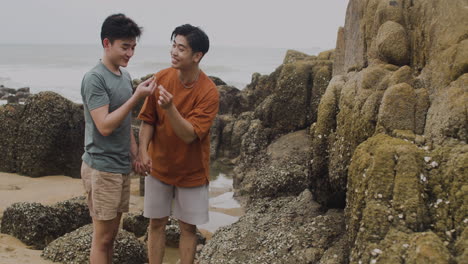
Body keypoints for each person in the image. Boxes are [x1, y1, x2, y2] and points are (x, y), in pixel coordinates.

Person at [137, 24, 219, 264]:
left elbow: (189, 135)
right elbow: (147, 121)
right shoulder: (161, 78)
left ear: (197, 56)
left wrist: (170, 108)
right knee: (156, 224)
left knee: (188, 229)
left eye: (181, 48)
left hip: (191, 172)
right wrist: (143, 152)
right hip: (159, 167)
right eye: (173, 45)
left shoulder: (209, 92)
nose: (174, 51)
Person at [80, 13, 156, 264]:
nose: (130, 53)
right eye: (125, 47)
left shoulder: (124, 76)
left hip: (120, 166)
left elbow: (124, 124)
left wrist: (136, 156)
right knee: (101, 239)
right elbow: (103, 126)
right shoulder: (95, 78)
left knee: (112, 237)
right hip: (101, 168)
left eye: (133, 47)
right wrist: (136, 98)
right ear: (106, 43)